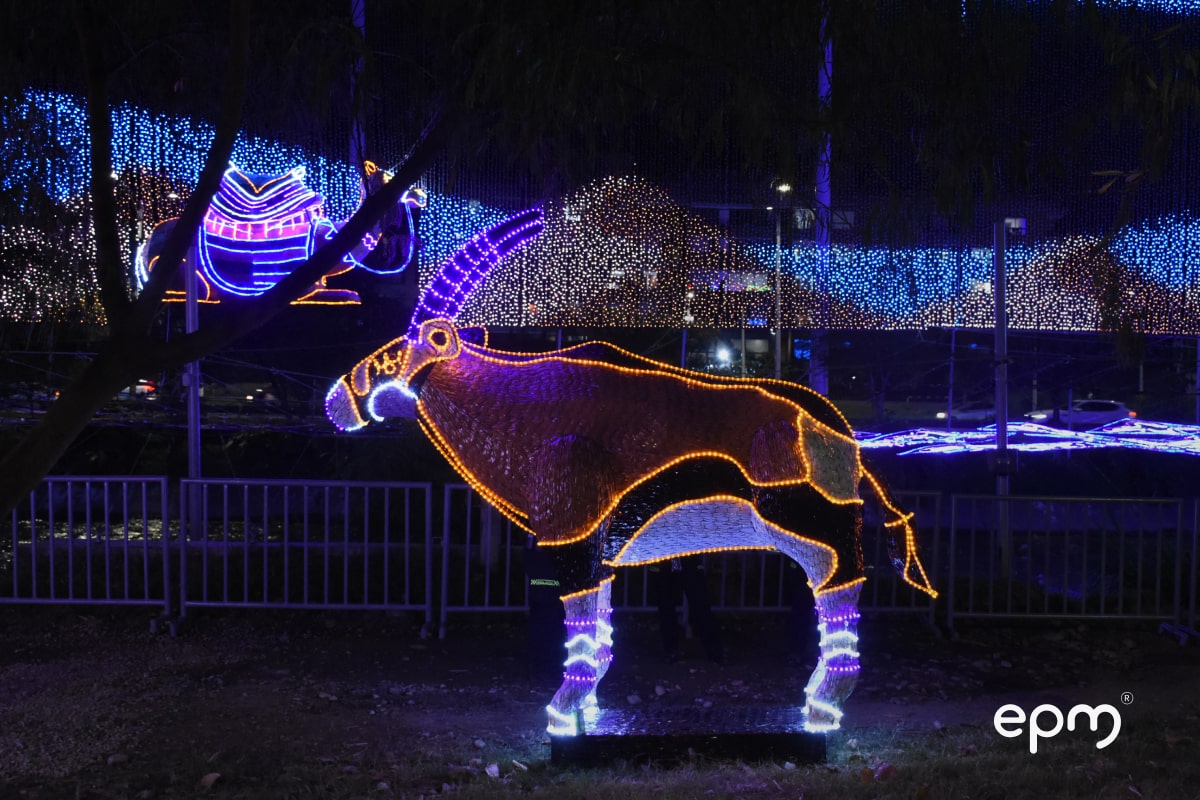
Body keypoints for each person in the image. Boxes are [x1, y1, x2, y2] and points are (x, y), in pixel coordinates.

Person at [652, 555, 724, 663]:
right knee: (667, 606)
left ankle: (713, 650)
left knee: (699, 603)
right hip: (666, 560)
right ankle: (671, 649)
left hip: (683, 558)